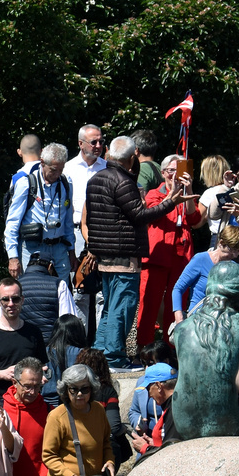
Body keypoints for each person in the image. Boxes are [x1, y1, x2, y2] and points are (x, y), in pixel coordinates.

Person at [84, 135, 183, 370]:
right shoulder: (123, 181)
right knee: (122, 308)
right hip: (124, 256)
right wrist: (170, 202)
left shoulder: (96, 179)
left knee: (110, 307)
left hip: (104, 255)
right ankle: (114, 357)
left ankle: (100, 355)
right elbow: (139, 215)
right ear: (132, 157)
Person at [137, 154, 205, 349]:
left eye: (180, 170)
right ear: (163, 172)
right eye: (171, 171)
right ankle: (144, 347)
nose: (175, 175)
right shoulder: (153, 193)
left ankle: (172, 347)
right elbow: (152, 213)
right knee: (149, 302)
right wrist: (172, 196)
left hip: (181, 256)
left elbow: (193, 219)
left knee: (177, 302)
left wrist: (189, 190)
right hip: (157, 255)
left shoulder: (186, 193)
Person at [6, 143, 76, 283]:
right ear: (42, 163)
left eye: (60, 170)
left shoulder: (66, 183)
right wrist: (13, 257)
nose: (57, 175)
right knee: (31, 291)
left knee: (61, 293)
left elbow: (68, 220)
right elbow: (13, 222)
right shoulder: (26, 183)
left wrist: (72, 251)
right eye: (53, 170)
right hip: (32, 248)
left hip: (59, 248)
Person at [0, 275, 47, 403]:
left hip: (28, 402)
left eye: (15, 299)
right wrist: (2, 374)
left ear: (22, 300)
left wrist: (42, 376)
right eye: (6, 299)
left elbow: (43, 367)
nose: (11, 304)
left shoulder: (33, 332)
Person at [174, 225, 239, 323]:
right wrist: (179, 318)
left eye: (238, 251)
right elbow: (178, 289)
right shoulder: (200, 259)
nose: (235, 255)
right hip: (198, 319)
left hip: (224, 320)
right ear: (221, 243)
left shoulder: (234, 268)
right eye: (232, 250)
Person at [63, 123, 107, 233]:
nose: (98, 146)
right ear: (81, 144)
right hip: (75, 230)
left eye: (101, 142)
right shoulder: (67, 169)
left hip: (102, 230)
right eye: (93, 142)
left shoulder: (108, 168)